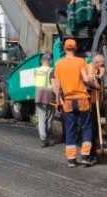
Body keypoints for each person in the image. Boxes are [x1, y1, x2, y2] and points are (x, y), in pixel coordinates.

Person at [52, 39, 95, 167]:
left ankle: (71, 159)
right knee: (86, 127)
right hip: (82, 100)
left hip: (68, 101)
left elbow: (56, 86)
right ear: (75, 49)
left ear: (65, 49)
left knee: (70, 129)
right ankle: (85, 156)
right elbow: (86, 79)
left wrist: (58, 100)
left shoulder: (59, 64)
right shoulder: (81, 62)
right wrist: (93, 79)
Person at [34, 53, 55, 147]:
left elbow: (35, 83)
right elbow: (54, 84)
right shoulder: (51, 70)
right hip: (49, 96)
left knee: (41, 118)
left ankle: (43, 139)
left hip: (39, 96)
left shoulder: (36, 70)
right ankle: (49, 136)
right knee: (50, 118)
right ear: (48, 61)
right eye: (50, 60)